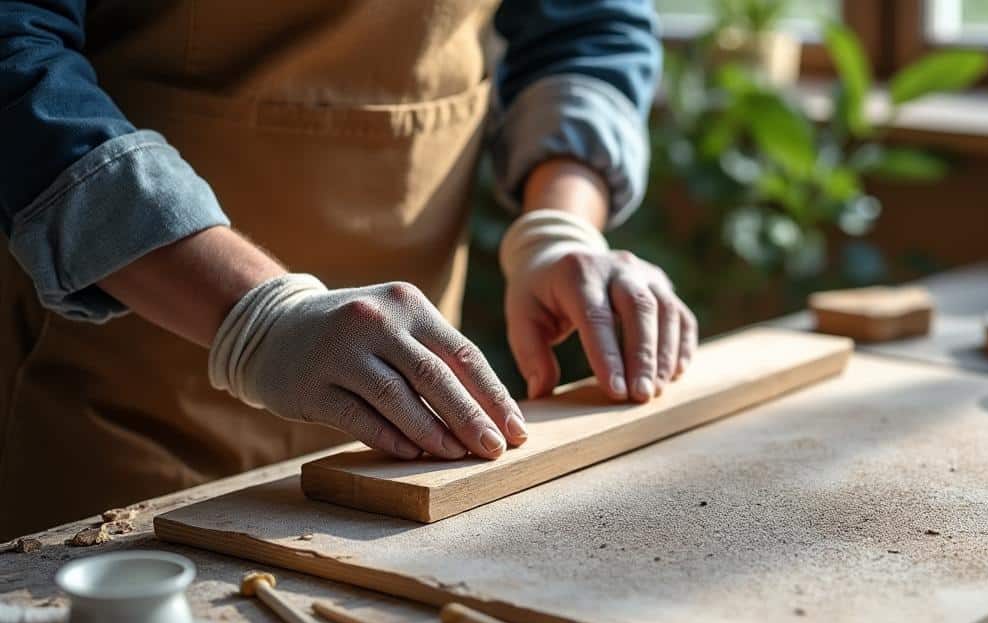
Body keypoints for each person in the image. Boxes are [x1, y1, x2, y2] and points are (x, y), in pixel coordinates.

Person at [0, 0, 697, 539]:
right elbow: (15, 48)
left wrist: (560, 223)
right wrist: (256, 316)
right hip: (111, 405)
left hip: (408, 433)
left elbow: (588, 24)